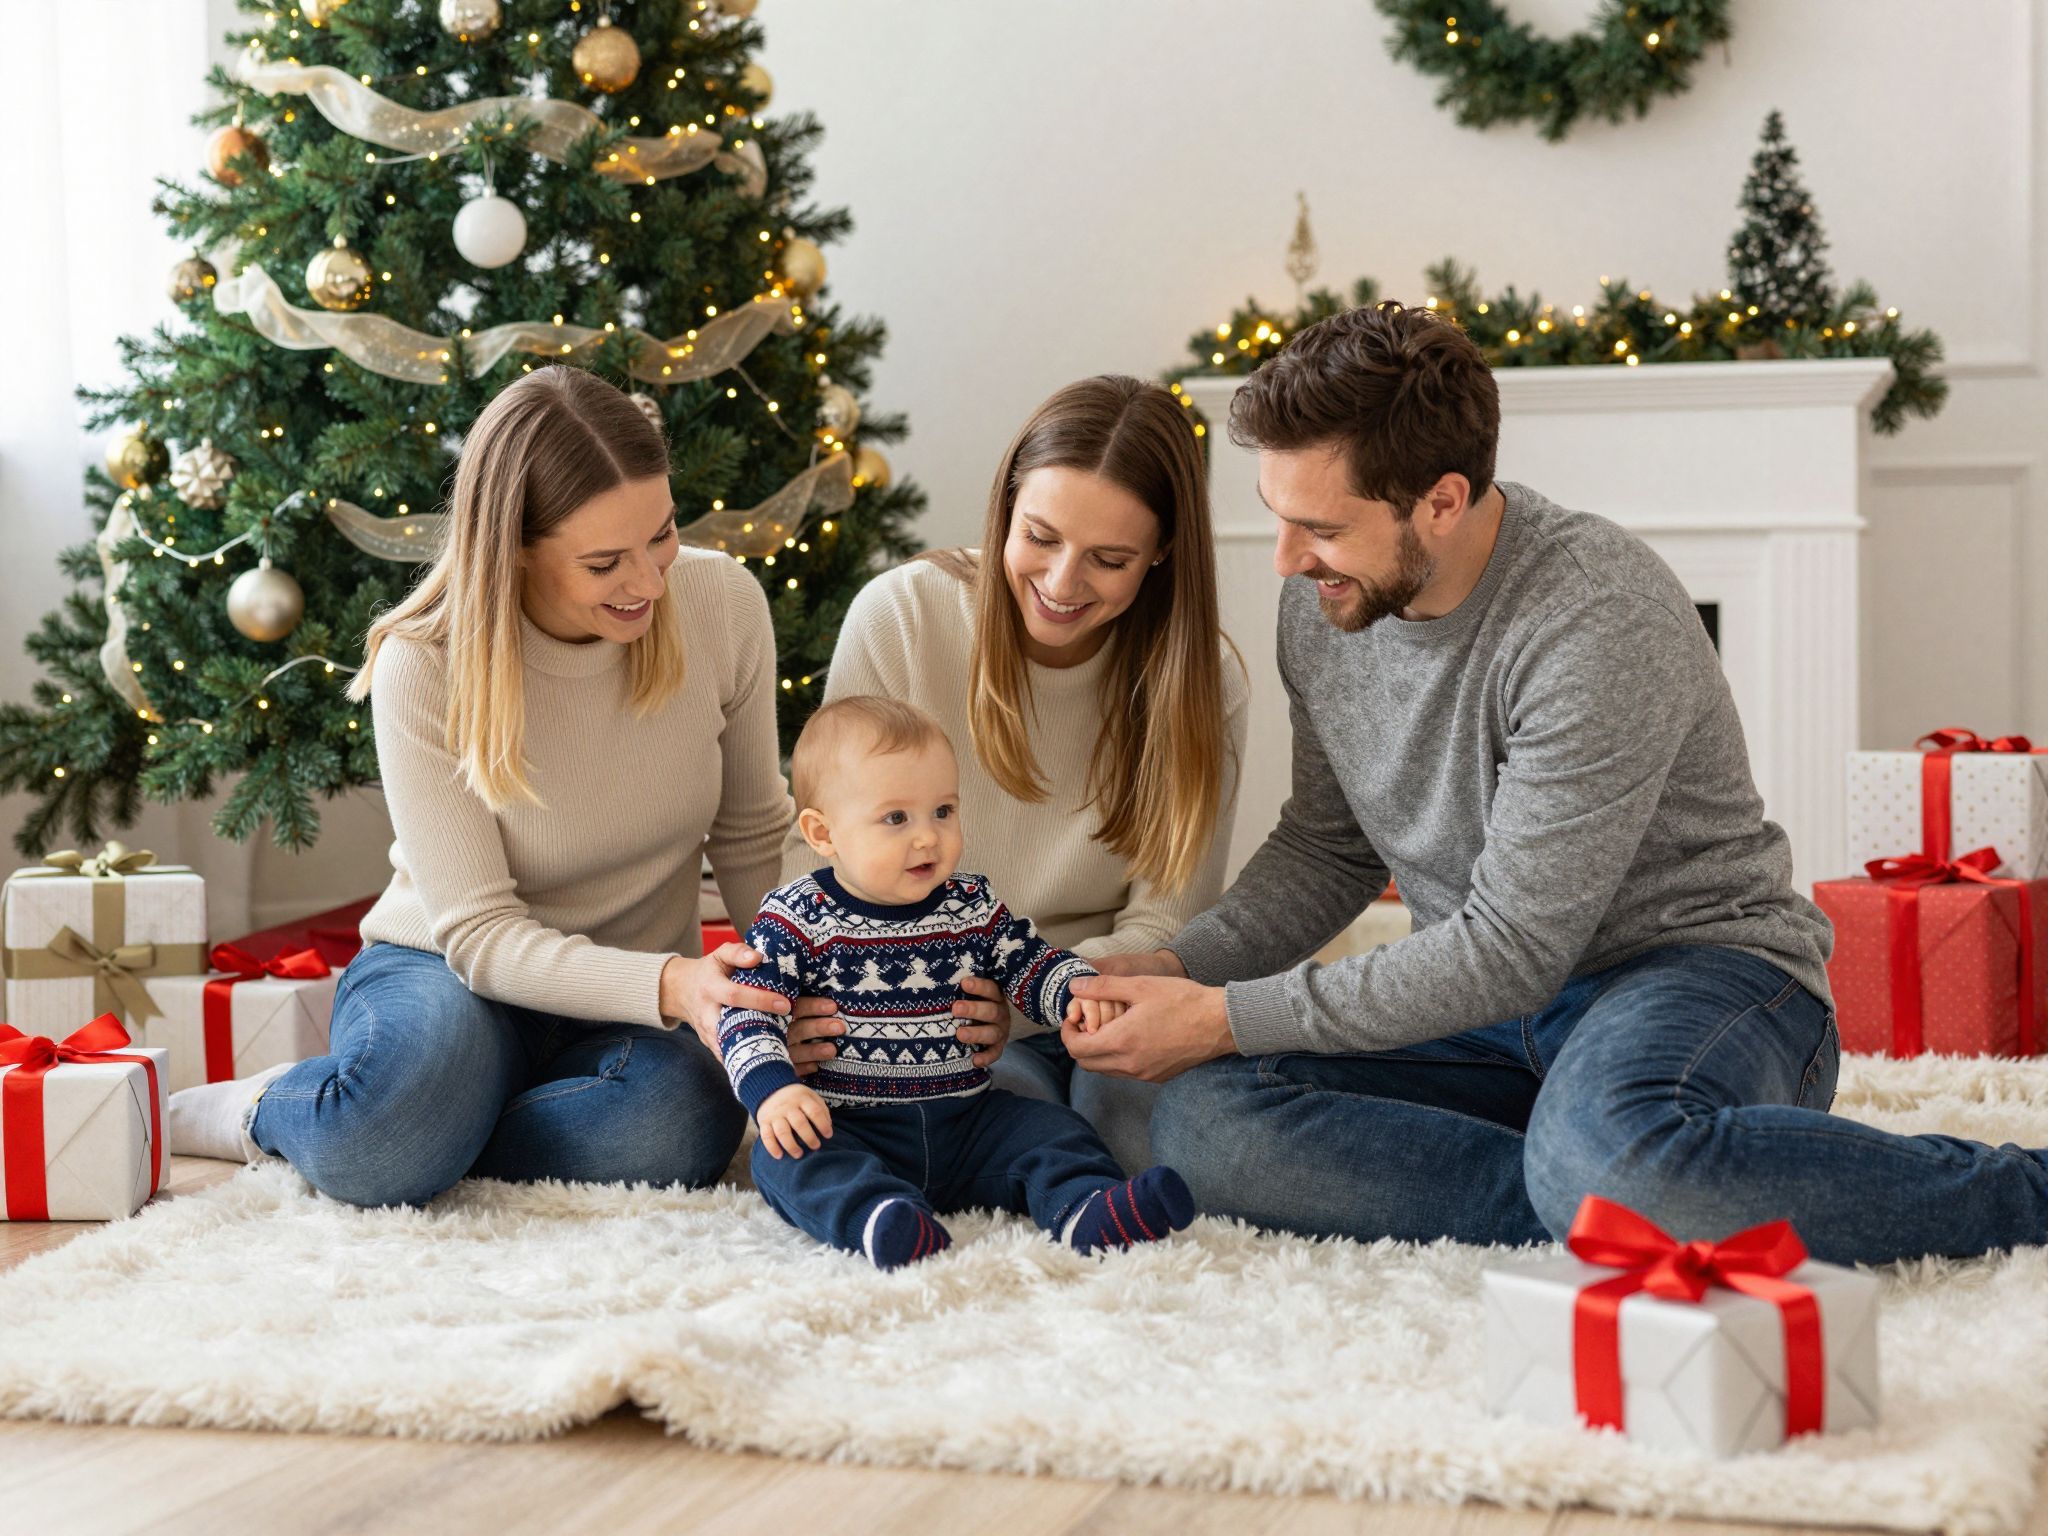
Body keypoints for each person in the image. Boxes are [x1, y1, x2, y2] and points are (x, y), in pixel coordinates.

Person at [1061, 301, 2048, 1268]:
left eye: (1317, 525)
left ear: (1440, 501)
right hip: (1479, 1013)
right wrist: (1183, 975)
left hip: (1694, 981)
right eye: (1278, 518)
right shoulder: (1329, 600)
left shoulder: (1593, 613)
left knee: (1611, 1164)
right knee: (1158, 1102)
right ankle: (1590, 1191)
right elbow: (1329, 846)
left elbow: (1512, 948)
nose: (1284, 560)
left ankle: (2007, 1191)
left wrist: (1226, 1016)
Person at [167, 367, 834, 1205]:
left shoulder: (722, 603)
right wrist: (672, 983)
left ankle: (430, 1132)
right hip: (447, 975)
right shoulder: (424, 662)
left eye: (661, 534)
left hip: (621, 994)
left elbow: (749, 834)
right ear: (512, 547)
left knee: (683, 1119)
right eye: (604, 563)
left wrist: (816, 979)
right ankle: (267, 1108)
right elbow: (479, 934)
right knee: (382, 1141)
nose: (652, 582)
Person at [781, 376, 1247, 1173]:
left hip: (1103, 999)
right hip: (933, 1013)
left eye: (1109, 559)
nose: (1063, 584)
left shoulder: (1204, 680)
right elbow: (823, 870)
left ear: (1163, 554)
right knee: (993, 1120)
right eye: (1040, 536)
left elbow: (1169, 921)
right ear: (1004, 509)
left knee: (1151, 1137)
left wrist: (1031, 999)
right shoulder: (903, 618)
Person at [727, 696, 1195, 1269]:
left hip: (968, 1121)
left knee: (1050, 1128)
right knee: (785, 1158)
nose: (928, 837)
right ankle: (880, 1217)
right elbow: (746, 1012)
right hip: (850, 1123)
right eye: (897, 818)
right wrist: (773, 1089)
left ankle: (1088, 1208)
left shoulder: (969, 903)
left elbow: (1029, 962)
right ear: (823, 833)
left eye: (943, 811)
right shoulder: (795, 916)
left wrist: (1076, 993)